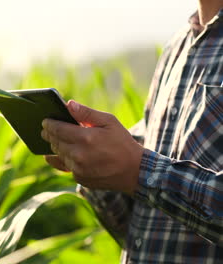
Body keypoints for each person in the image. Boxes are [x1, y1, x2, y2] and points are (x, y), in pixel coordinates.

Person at [40, 0, 223, 262]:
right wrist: (96, 163)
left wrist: (139, 170)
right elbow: (144, 223)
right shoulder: (179, 45)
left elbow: (143, 172)